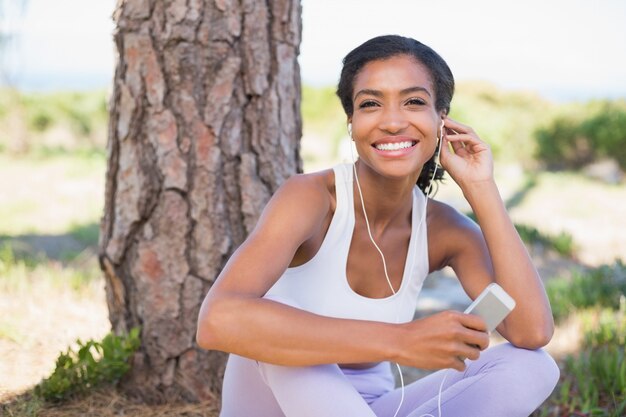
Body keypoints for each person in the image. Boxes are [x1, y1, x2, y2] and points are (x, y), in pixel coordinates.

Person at [196, 35, 559, 417]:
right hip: (273, 403)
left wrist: (482, 190)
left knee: (532, 365)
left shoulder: (441, 228)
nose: (391, 121)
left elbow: (532, 332)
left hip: (371, 408)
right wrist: (400, 340)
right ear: (352, 123)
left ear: (442, 120)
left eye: (414, 102)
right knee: (274, 312)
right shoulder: (312, 198)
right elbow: (217, 320)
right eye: (371, 104)